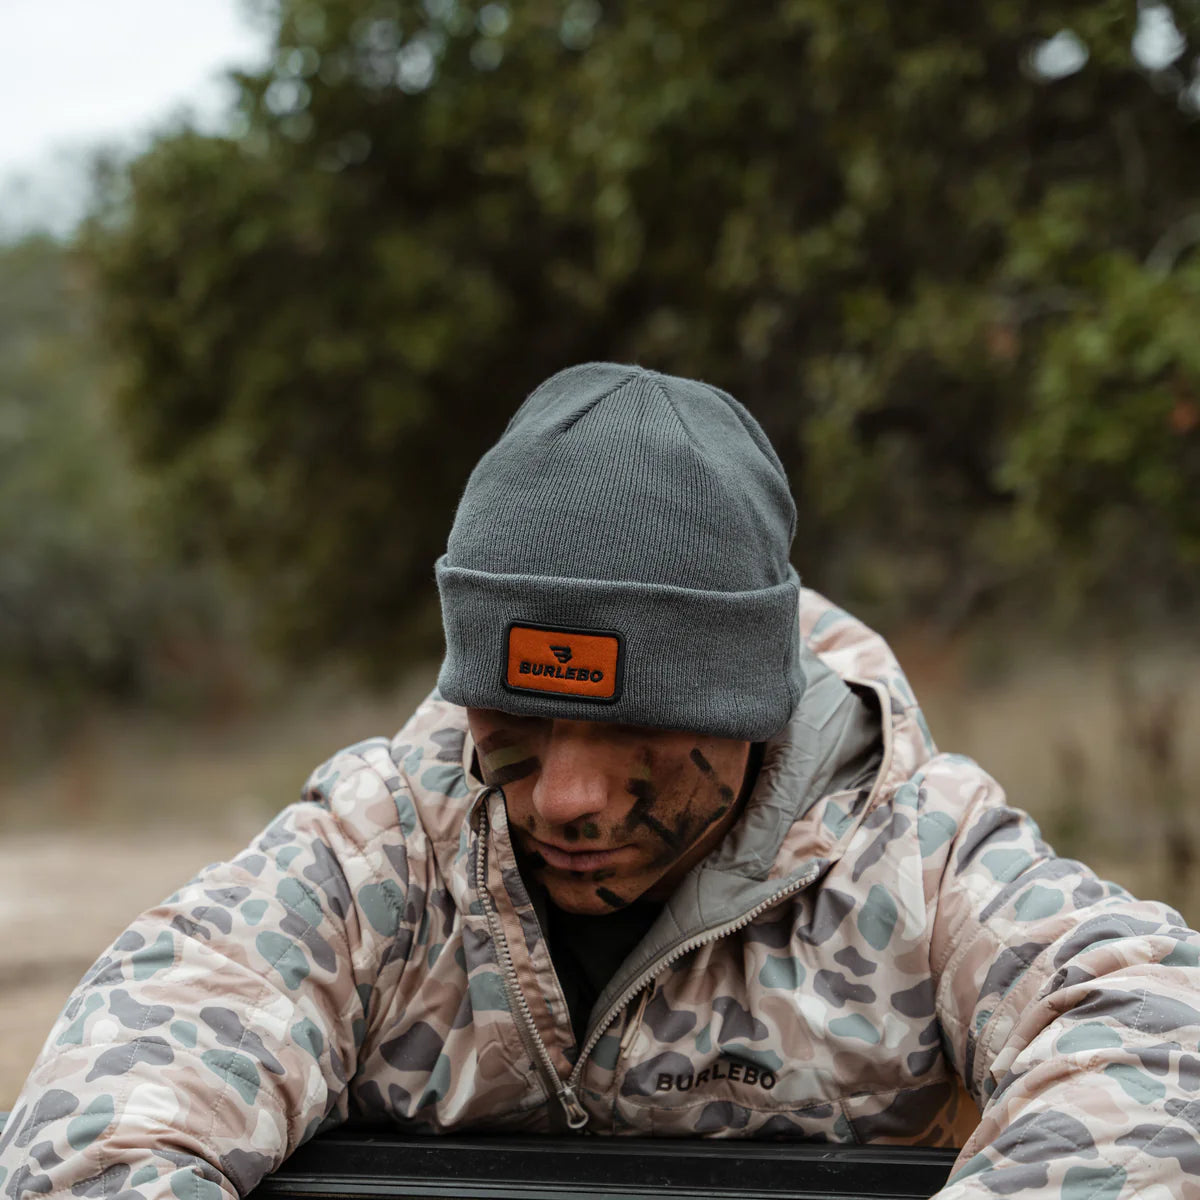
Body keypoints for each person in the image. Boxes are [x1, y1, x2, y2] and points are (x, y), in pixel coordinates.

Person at [2, 363, 1199, 1200]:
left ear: (750, 705)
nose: (567, 797)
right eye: (520, 718)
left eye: (636, 729)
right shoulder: (377, 854)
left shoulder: (918, 853)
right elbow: (97, 1124)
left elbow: (1161, 1034)